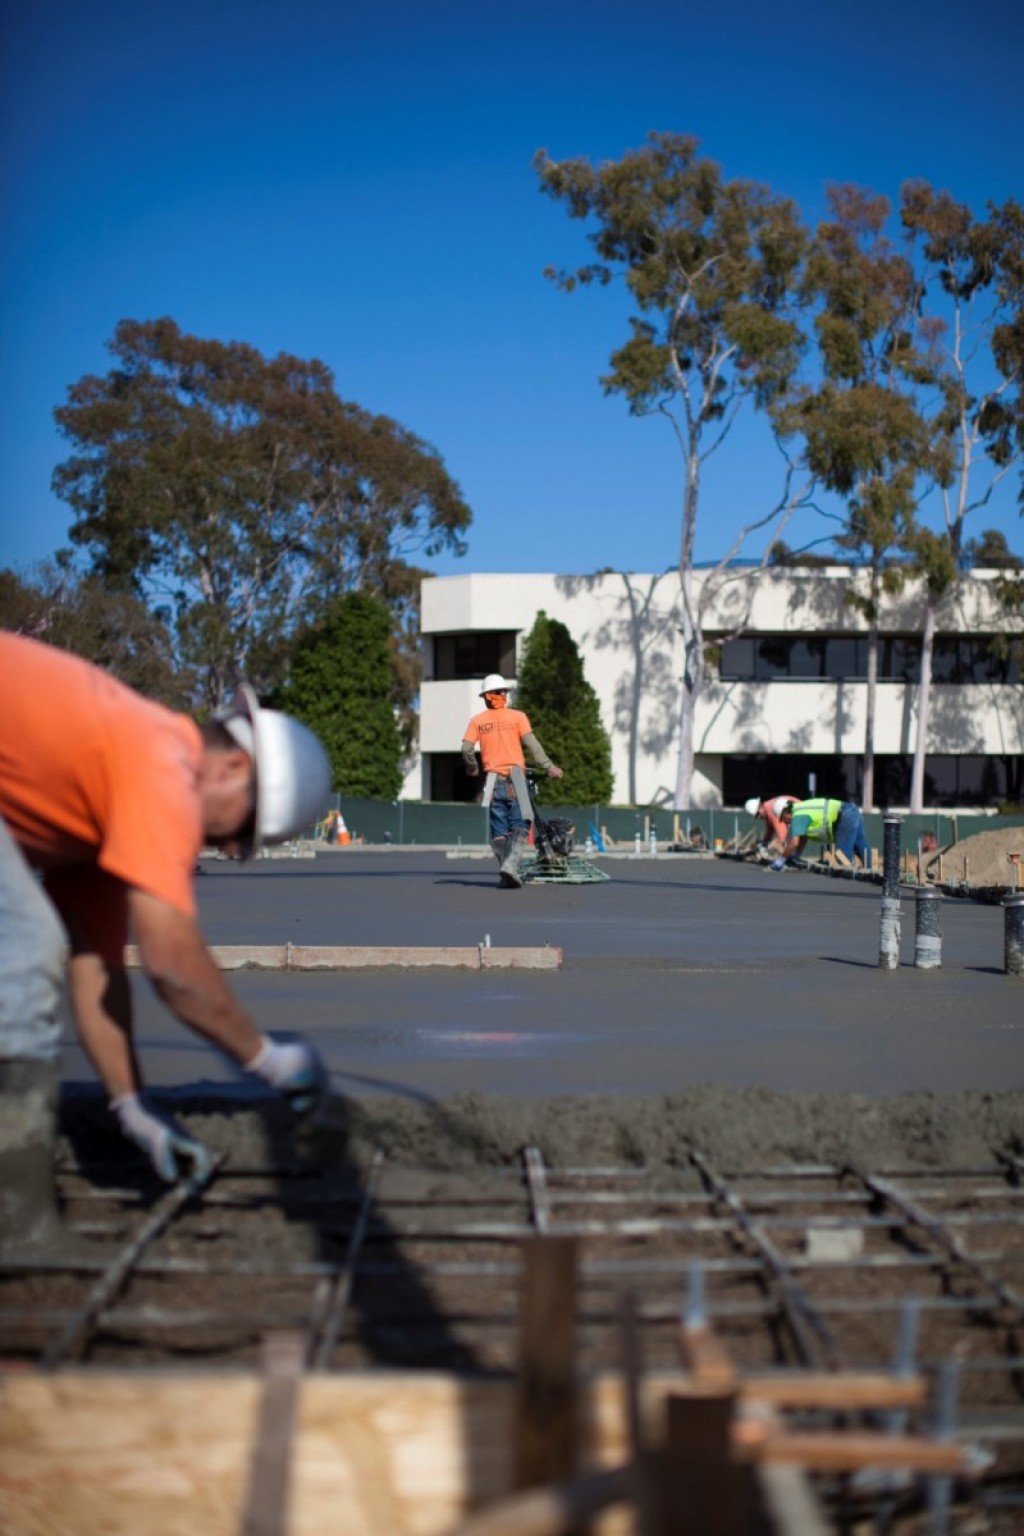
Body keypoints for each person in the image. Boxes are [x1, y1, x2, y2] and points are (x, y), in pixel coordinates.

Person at [0, 632, 334, 1261]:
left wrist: (133, 1109)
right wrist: (269, 1060)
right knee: (22, 950)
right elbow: (173, 963)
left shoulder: (104, 801)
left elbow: (97, 971)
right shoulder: (163, 765)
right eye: (244, 831)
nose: (230, 850)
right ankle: (14, 1231)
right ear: (234, 768)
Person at [461, 673, 563, 887]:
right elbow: (532, 745)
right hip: (517, 775)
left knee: (498, 830)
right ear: (503, 695)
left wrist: (472, 767)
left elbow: (467, 748)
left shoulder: (477, 721)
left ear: (485, 697)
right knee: (522, 823)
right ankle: (510, 867)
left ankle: (507, 873)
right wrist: (549, 767)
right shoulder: (518, 717)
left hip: (491, 780)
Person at [772, 796, 872, 871]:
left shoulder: (797, 816)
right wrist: (796, 855)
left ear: (785, 812)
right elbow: (803, 838)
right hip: (851, 810)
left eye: (782, 818)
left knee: (842, 862)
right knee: (860, 844)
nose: (784, 822)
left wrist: (781, 859)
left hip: (844, 816)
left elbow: (794, 843)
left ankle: (844, 886)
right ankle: (870, 871)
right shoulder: (801, 809)